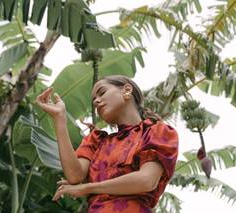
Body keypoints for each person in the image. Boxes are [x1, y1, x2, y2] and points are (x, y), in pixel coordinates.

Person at [36, 75, 179, 213]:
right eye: (94, 100)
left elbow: (146, 180)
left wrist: (87, 188)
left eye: (102, 93)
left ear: (127, 90)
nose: (96, 102)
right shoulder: (97, 141)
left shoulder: (158, 132)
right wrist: (59, 119)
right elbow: (74, 175)